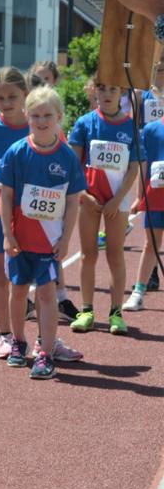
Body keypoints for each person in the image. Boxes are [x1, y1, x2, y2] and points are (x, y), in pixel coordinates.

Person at [0, 86, 86, 377]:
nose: (42, 120)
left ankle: (45, 353)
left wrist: (66, 237)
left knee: (47, 294)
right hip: (20, 239)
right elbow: (6, 195)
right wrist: (7, 235)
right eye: (35, 115)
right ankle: (18, 341)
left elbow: (73, 201)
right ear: (26, 116)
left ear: (59, 117)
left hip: (49, 241)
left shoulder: (67, 157)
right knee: (19, 290)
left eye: (47, 115)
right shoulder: (17, 152)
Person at [68, 76, 145, 335]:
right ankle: (87, 310)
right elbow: (73, 164)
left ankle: (116, 312)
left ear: (121, 92)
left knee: (115, 254)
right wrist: (83, 195)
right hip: (89, 198)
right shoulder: (85, 123)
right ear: (94, 91)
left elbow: (134, 167)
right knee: (88, 254)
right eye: (102, 88)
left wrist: (117, 198)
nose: (107, 93)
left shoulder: (131, 127)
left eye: (113, 88)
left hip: (117, 200)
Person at [124, 104, 164, 310]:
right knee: (151, 245)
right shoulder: (151, 129)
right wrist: (138, 197)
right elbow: (143, 166)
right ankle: (138, 292)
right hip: (155, 197)